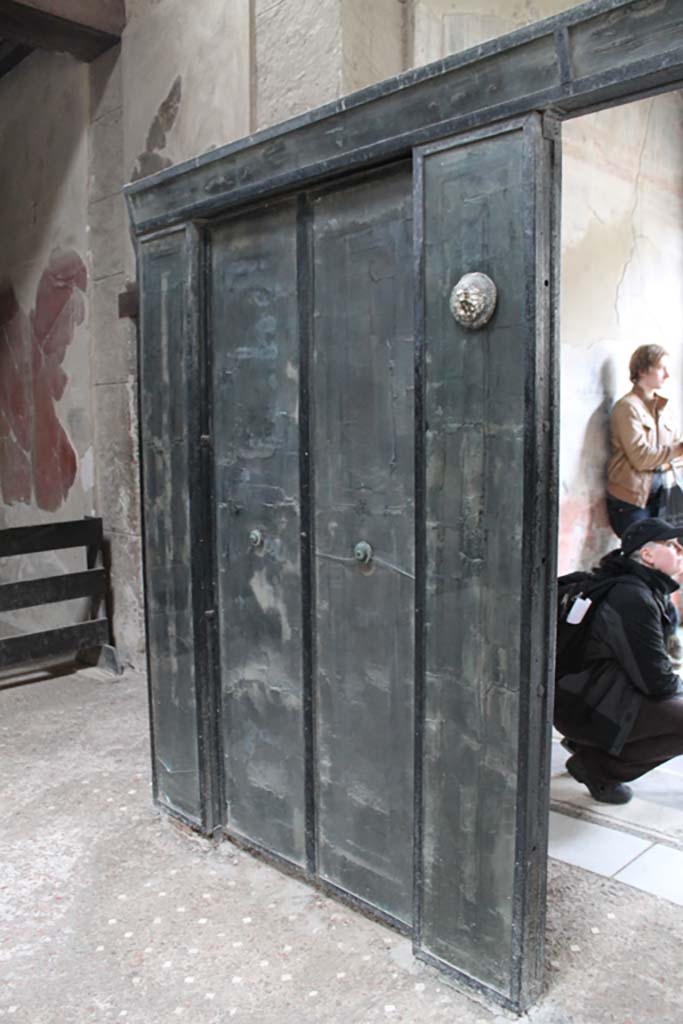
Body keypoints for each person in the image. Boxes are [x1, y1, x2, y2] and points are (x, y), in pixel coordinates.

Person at [555, 517, 683, 804]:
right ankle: (597, 768)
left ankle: (586, 747)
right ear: (647, 555)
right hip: (581, 707)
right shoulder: (633, 597)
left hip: (576, 695)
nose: (680, 550)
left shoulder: (637, 587)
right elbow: (657, 683)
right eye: (672, 545)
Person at [606, 344, 683, 538]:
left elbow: (675, 448)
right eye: (661, 368)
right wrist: (678, 449)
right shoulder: (627, 407)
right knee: (639, 556)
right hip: (631, 500)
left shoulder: (665, 408)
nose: (666, 375)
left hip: (661, 495)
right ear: (642, 370)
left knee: (662, 556)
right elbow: (640, 457)